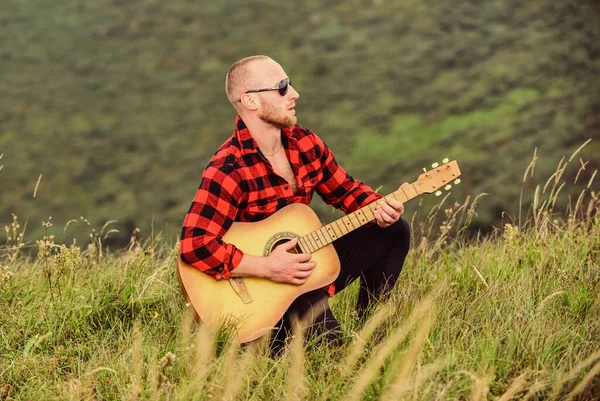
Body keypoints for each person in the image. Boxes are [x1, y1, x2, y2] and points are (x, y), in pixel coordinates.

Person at [180, 55, 411, 354]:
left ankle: (370, 328)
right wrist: (267, 268)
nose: (294, 94)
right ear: (250, 101)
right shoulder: (228, 168)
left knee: (393, 231)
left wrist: (380, 207)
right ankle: (275, 338)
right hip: (263, 292)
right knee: (333, 355)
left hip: (302, 266)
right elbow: (194, 244)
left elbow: (346, 191)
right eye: (282, 87)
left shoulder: (305, 143)